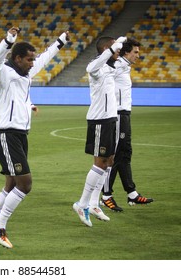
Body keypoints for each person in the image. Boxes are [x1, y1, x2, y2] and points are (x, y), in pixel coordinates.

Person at [0, 27, 70, 254]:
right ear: (17, 58)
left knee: (11, 184)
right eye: (28, 59)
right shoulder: (3, 73)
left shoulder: (25, 73)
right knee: (25, 184)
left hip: (20, 135)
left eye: (32, 59)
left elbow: (43, 59)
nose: (32, 62)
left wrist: (60, 42)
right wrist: (8, 41)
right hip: (7, 134)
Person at [72, 36, 127, 227]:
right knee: (100, 161)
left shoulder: (111, 67)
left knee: (109, 159)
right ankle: (82, 203)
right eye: (114, 48)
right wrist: (113, 48)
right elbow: (90, 68)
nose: (118, 51)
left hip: (110, 119)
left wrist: (124, 46)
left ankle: (94, 204)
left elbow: (126, 60)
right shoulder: (96, 67)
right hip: (99, 121)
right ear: (106, 49)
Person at [101, 38, 153, 211]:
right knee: (114, 155)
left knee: (125, 153)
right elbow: (104, 73)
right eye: (135, 52)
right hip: (118, 113)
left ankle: (132, 193)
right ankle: (106, 195)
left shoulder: (125, 66)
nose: (138, 55)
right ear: (125, 52)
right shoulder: (117, 65)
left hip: (125, 114)